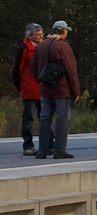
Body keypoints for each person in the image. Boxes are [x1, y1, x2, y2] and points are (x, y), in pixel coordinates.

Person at [29, 20, 80, 159]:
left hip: (45, 89)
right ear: (63, 32)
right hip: (62, 89)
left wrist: (41, 80)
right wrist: (75, 91)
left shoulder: (41, 46)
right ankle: (59, 150)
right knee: (61, 119)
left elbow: (33, 67)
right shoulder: (63, 46)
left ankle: (42, 151)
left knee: (44, 118)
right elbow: (71, 70)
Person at [10, 23, 43, 155]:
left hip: (41, 88)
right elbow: (16, 70)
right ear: (30, 36)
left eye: (41, 34)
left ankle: (48, 143)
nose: (41, 37)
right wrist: (20, 86)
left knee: (44, 117)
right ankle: (28, 145)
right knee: (28, 118)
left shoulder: (42, 47)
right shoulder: (24, 48)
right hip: (29, 88)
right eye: (38, 35)